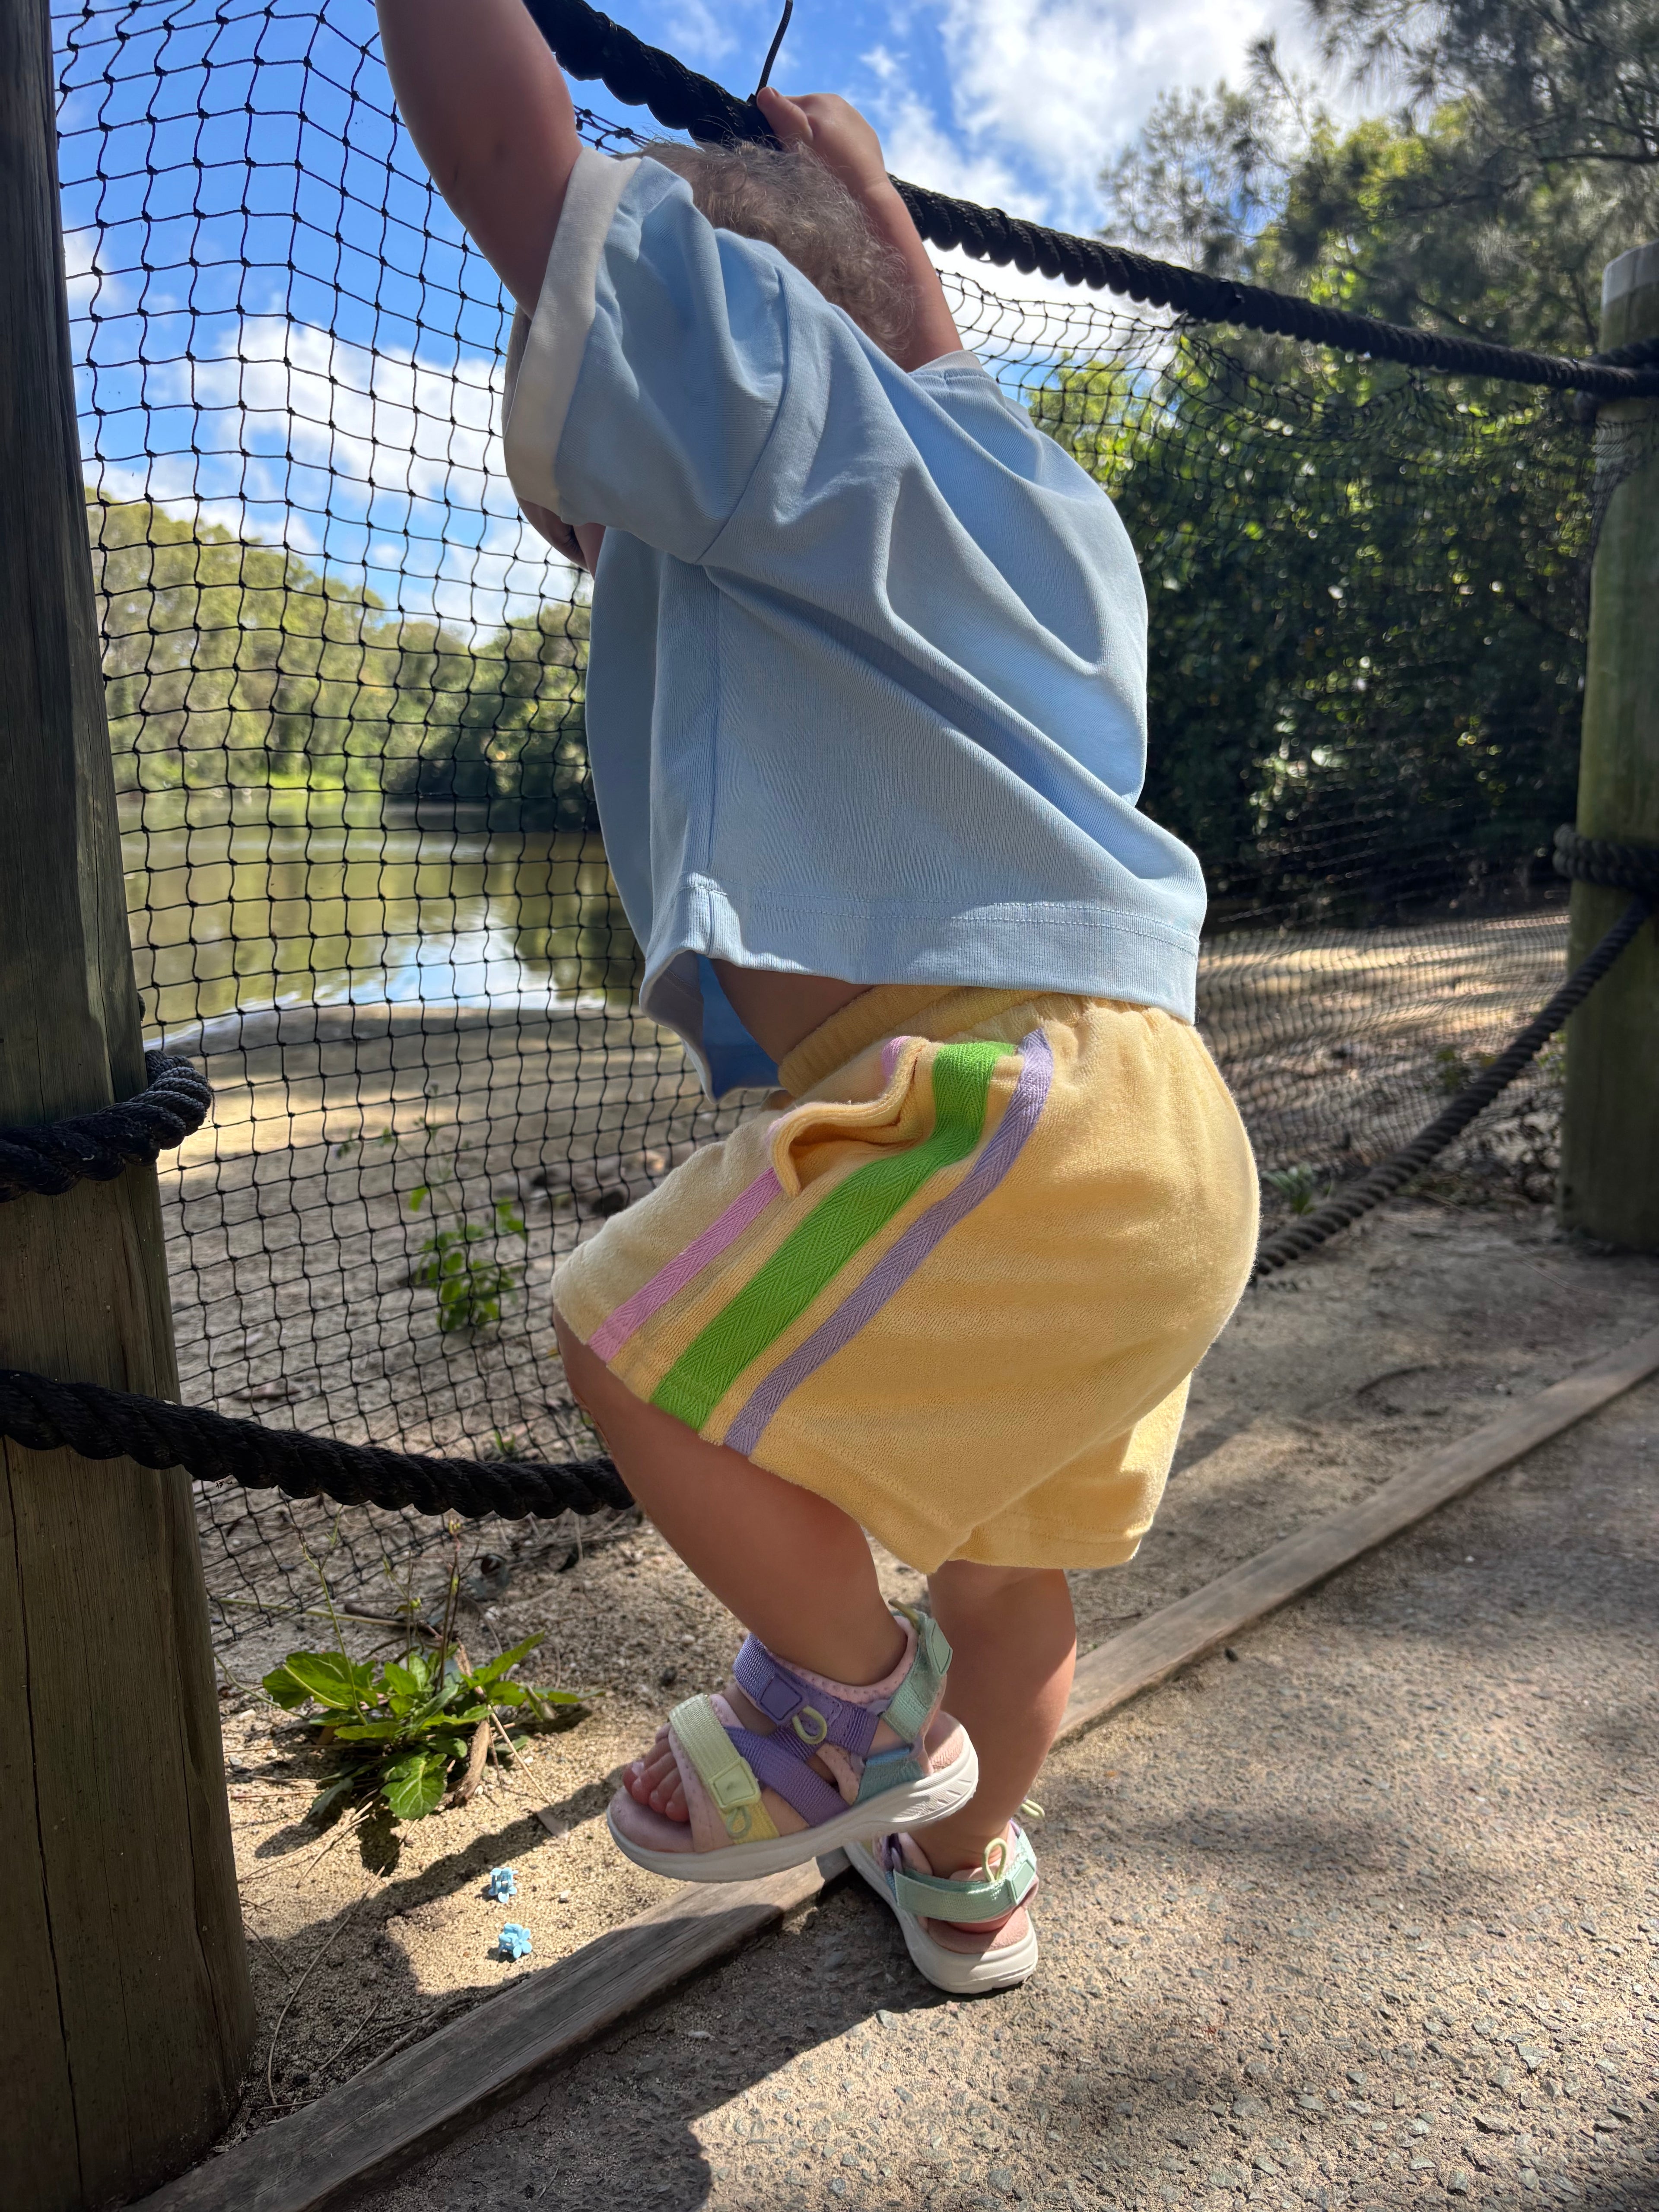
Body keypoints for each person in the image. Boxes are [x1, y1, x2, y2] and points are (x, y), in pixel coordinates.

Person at [378, 0, 1258, 1995]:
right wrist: (867, 197)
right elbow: (920, 338)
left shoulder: (779, 420)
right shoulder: (1021, 492)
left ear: (736, 336)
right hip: (1169, 1136)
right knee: (1012, 1579)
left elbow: (519, 168)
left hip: (1001, 1100)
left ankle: (847, 1715)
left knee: (626, 1338)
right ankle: (961, 1868)